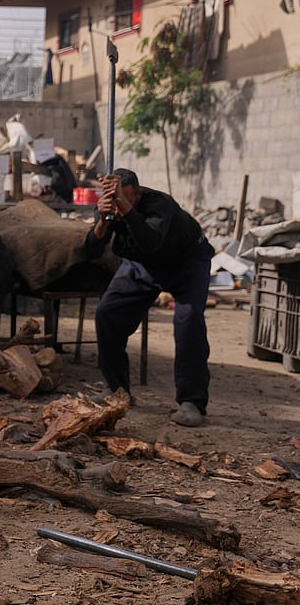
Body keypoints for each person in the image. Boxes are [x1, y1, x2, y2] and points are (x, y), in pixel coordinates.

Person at [85, 168, 214, 427]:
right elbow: (90, 250)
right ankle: (117, 389)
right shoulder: (110, 206)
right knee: (107, 313)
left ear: (139, 193)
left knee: (188, 321)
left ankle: (192, 402)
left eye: (129, 198)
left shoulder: (159, 204)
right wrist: (102, 220)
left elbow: (149, 241)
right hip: (142, 266)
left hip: (186, 262)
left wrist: (124, 205)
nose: (124, 203)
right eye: (119, 198)